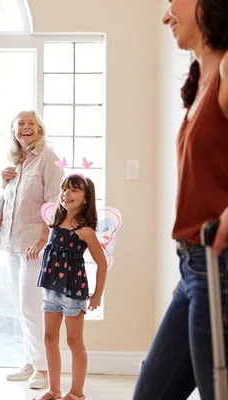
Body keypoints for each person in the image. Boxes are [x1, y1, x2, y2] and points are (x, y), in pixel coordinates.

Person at [133, 1, 228, 399]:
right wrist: (187, 273)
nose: (165, 15)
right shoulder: (201, 80)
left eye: (173, 1)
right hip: (194, 270)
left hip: (219, 265)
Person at [0, 110, 64, 388]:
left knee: (32, 306)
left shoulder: (48, 157)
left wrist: (43, 240)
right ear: (14, 131)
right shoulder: (17, 162)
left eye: (31, 124)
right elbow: (13, 203)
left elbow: (54, 201)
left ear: (39, 130)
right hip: (12, 244)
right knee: (20, 305)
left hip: (35, 246)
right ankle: (30, 361)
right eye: (20, 124)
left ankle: (43, 369)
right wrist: (4, 183)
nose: (26, 128)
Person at [32, 175, 107, 400]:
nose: (67, 193)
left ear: (86, 199)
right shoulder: (54, 223)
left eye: (74, 190)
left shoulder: (86, 231)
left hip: (73, 292)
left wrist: (97, 296)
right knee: (49, 338)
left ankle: (76, 393)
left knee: (74, 341)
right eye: (65, 189)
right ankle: (54, 390)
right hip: (51, 289)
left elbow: (101, 263)